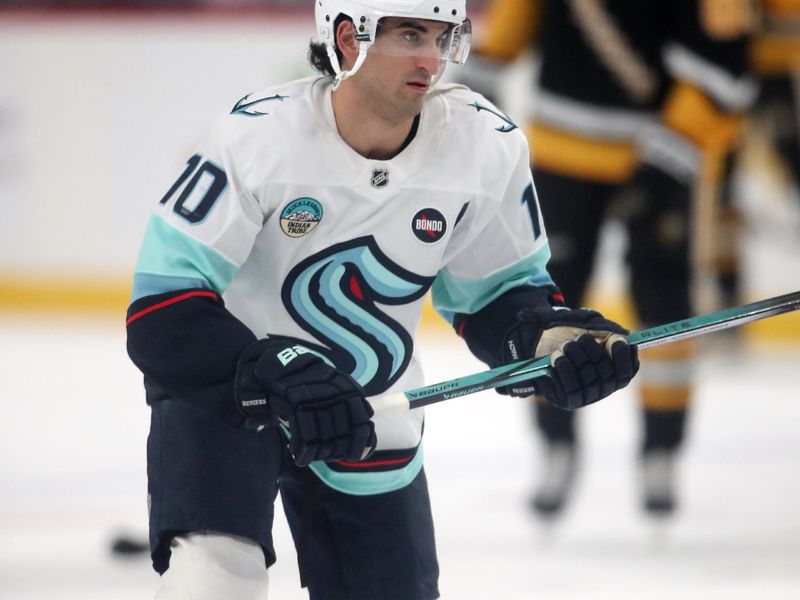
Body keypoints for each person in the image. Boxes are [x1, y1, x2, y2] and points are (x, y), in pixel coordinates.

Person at [125, 0, 639, 598]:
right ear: (347, 39)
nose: (432, 58)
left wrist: (547, 342)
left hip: (369, 415)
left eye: (444, 36)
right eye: (411, 34)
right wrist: (276, 369)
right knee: (212, 585)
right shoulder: (257, 138)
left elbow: (497, 294)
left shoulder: (483, 144)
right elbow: (161, 310)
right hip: (232, 403)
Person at [458, 0, 754, 517]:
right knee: (549, 311)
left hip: (659, 155)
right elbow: (513, 18)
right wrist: (479, 79)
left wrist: (674, 151)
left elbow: (724, 63)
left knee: (666, 309)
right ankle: (556, 441)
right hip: (559, 153)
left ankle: (662, 450)